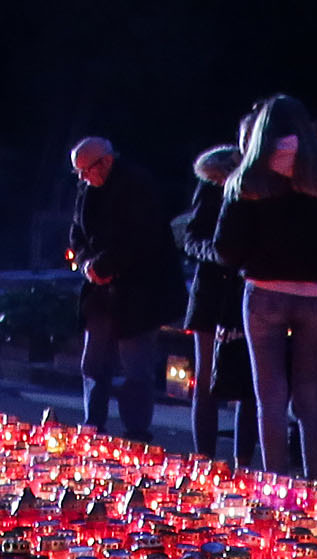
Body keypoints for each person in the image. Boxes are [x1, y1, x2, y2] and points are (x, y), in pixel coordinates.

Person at [214, 99, 317, 481]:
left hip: (265, 289)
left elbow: (226, 248)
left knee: (270, 396)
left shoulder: (249, 177)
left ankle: (275, 483)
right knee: (310, 394)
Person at [65, 139, 167, 443]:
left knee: (136, 366)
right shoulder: (87, 189)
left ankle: (136, 434)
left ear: (106, 161)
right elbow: (77, 232)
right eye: (78, 172)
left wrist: (105, 266)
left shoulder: (137, 186)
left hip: (136, 291)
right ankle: (93, 425)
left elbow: (139, 238)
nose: (83, 177)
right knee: (94, 363)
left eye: (86, 170)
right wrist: (87, 264)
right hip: (99, 291)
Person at [174, 145, 246, 463]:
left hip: (243, 288)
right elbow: (192, 238)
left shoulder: (256, 184)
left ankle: (243, 463)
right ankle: (204, 458)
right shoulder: (209, 190)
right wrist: (216, 253)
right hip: (212, 288)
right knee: (205, 377)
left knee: (247, 381)